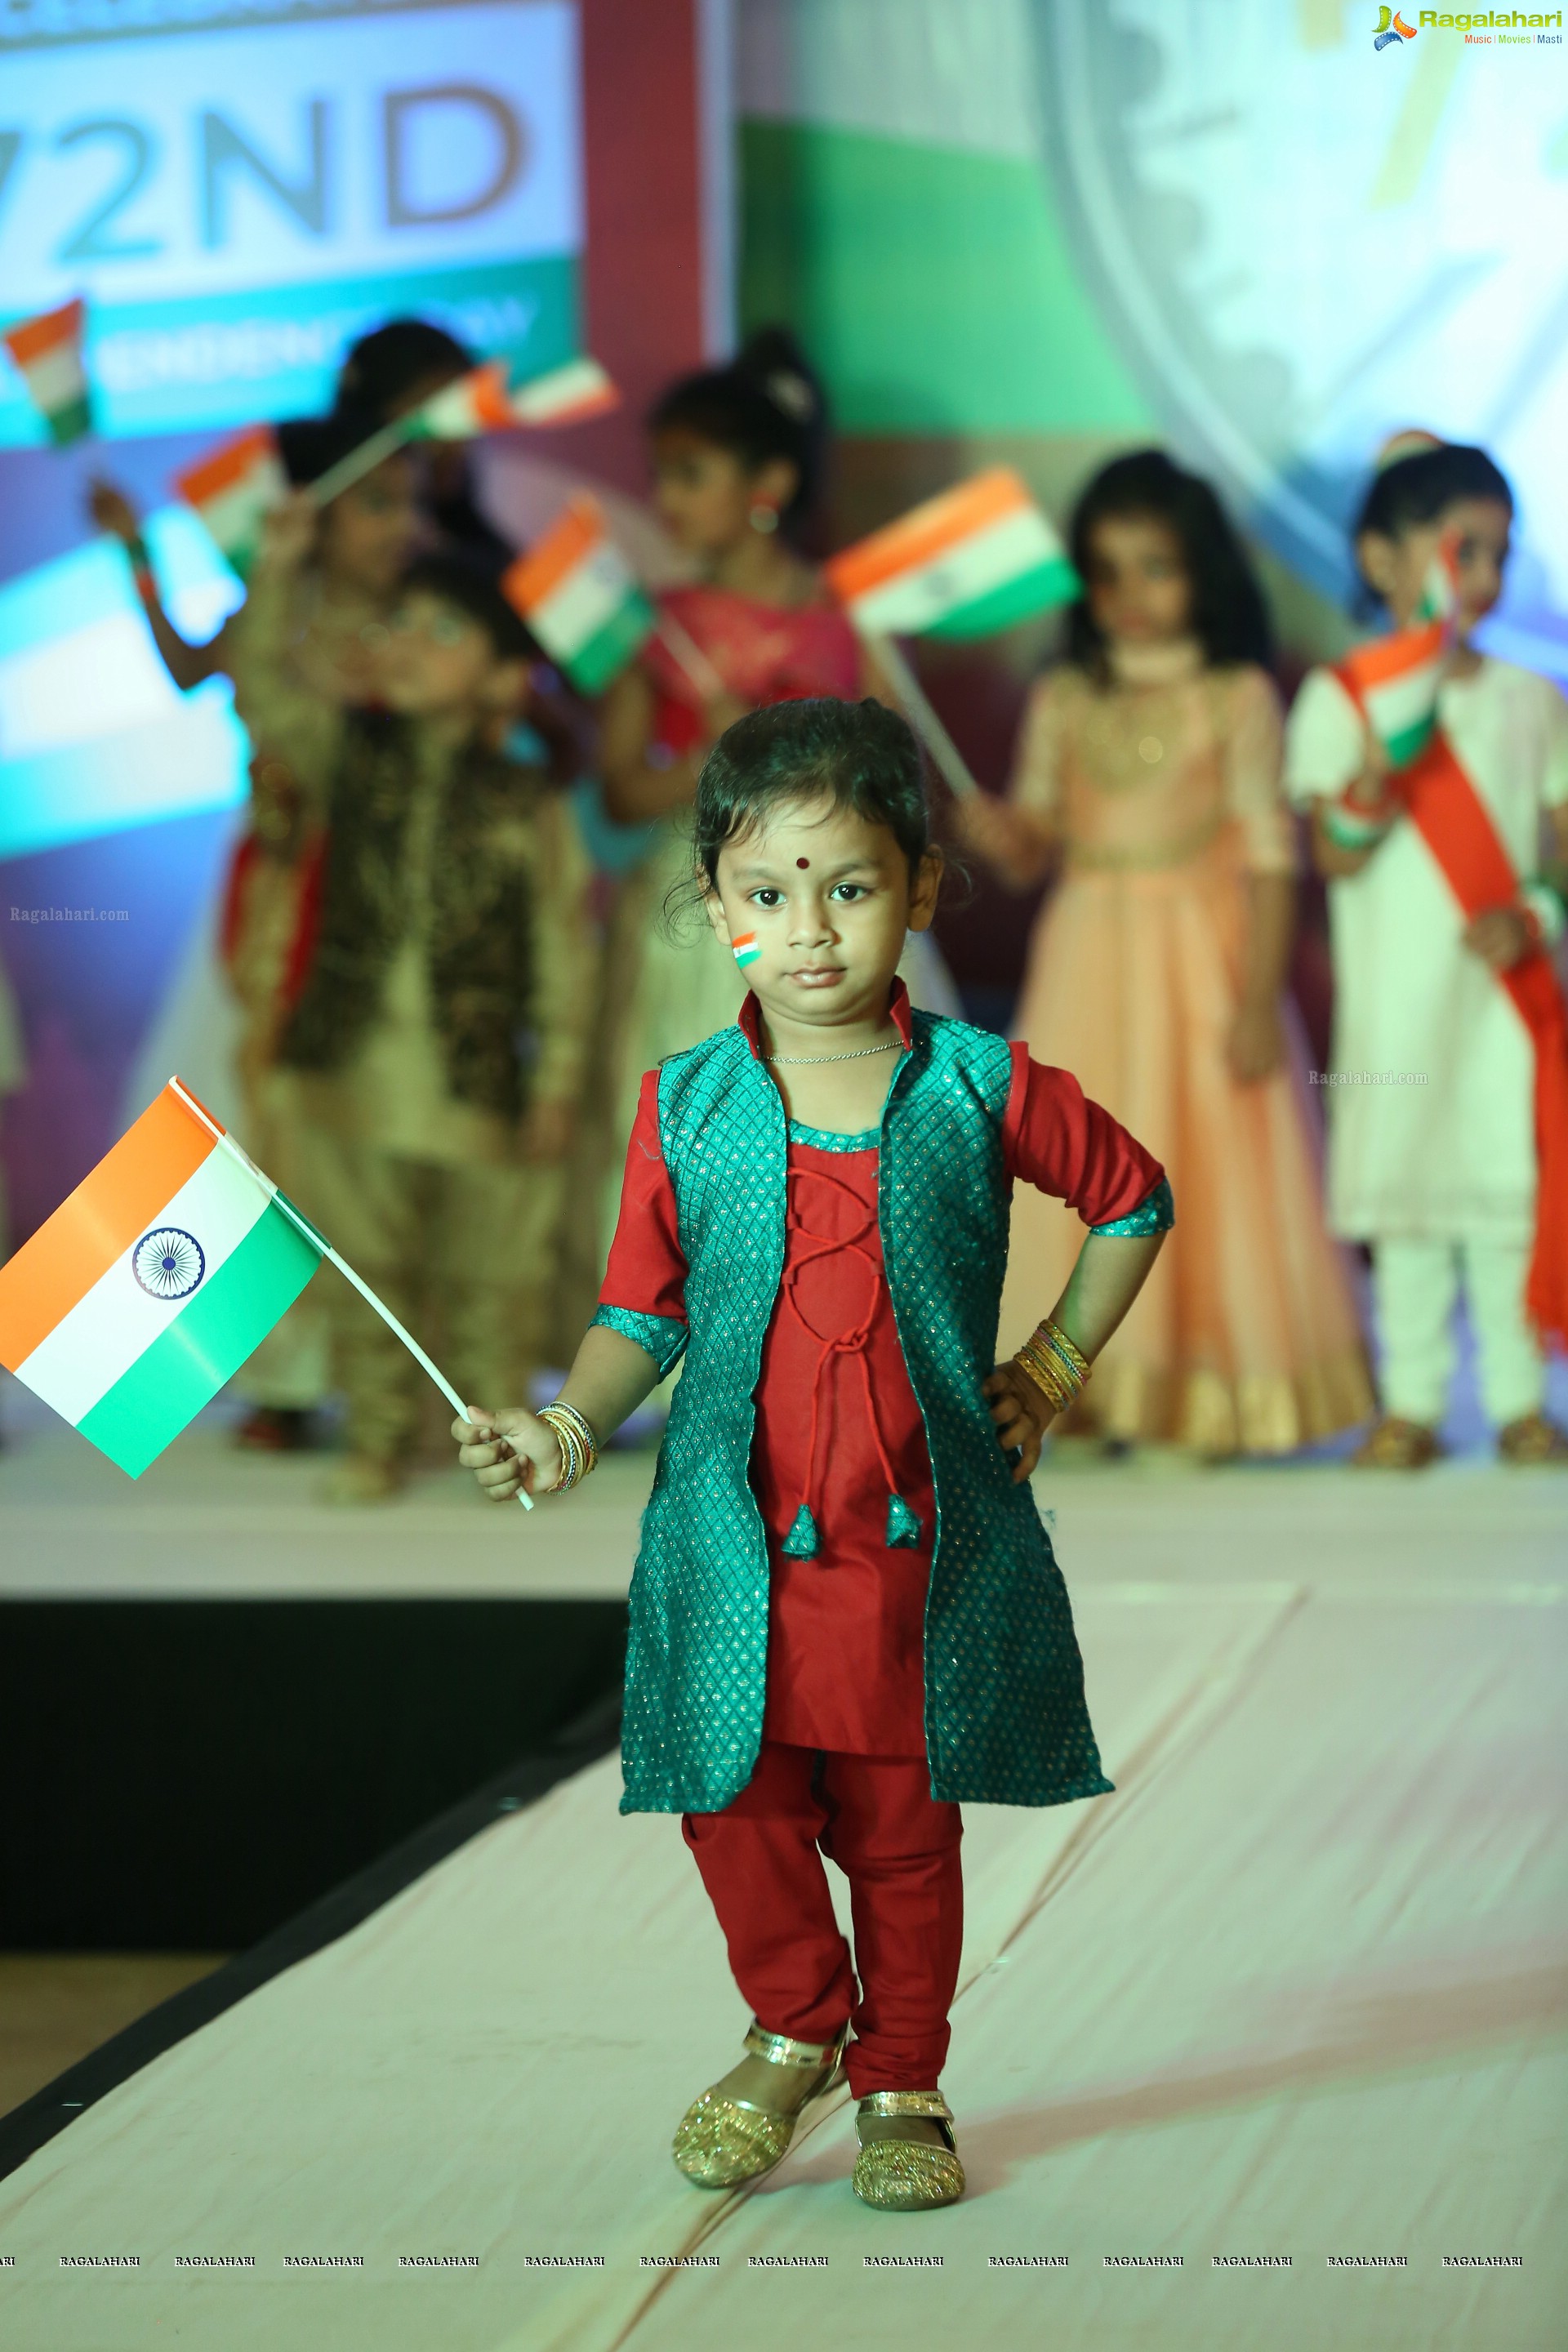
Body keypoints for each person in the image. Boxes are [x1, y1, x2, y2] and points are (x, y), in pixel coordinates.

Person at [454, 697, 1170, 2210]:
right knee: (734, 1797)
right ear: (716, 908)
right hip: (732, 1539)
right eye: (768, 897)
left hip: (915, 1546)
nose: (813, 933)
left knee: (906, 1829)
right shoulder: (687, 1103)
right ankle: (794, 2020)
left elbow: (1132, 1200)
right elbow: (637, 1314)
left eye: (850, 889)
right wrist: (569, 1424)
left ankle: (905, 2077)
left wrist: (1047, 1366)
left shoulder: (979, 1087)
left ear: (918, 888)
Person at [956, 450, 1372, 1456]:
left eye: (1156, 567)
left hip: (1202, 966)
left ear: (1205, 572)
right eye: (1106, 572)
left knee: (1197, 1160)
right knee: (1075, 1161)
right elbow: (1035, 844)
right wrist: (999, 834)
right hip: (1086, 959)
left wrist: (1258, 998)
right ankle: (1083, 1387)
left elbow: (1273, 859)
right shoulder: (1063, 697)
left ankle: (1205, 1385)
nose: (1129, 596)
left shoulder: (1235, 697)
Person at [245, 499, 594, 1501]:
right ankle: (378, 1433)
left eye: (442, 632)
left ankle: (501, 1439)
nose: (406, 646)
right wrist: (277, 571)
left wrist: (561, 1073)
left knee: (490, 1273)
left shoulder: (528, 806)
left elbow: (561, 947)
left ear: (497, 677)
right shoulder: (342, 756)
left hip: (475, 1071)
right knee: (365, 1265)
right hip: (349, 1063)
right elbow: (266, 691)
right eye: (400, 624)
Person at [1284, 436, 1568, 1467]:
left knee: (1503, 1198)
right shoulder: (1343, 698)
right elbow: (1336, 856)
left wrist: (1536, 915)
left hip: (1500, 997)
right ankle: (1410, 1399)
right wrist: (1379, 769)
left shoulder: (1532, 701)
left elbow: (1562, 860)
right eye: (1460, 549)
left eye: (1498, 553)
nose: (1482, 578)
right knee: (1404, 1205)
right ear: (1381, 560)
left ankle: (1517, 1400)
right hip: (1395, 1003)